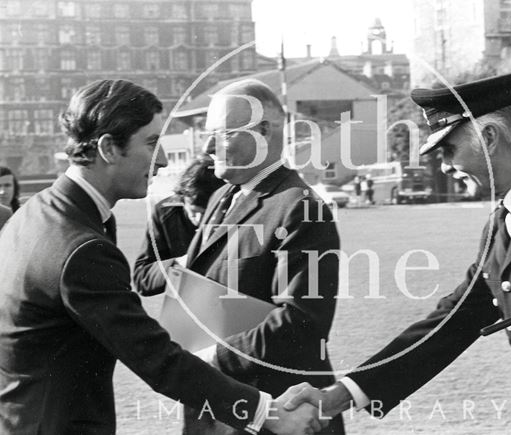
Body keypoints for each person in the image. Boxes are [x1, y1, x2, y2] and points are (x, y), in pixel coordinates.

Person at [286, 72, 511, 434]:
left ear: (488, 138)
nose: (443, 165)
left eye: (449, 149)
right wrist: (341, 394)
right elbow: (453, 321)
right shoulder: (501, 224)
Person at [0, 79, 325, 435]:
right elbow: (153, 357)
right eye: (153, 143)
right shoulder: (80, 246)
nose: (166, 159)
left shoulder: (38, 213)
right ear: (109, 148)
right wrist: (268, 412)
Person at [183, 79, 344, 434]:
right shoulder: (220, 199)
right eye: (207, 134)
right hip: (219, 408)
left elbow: (303, 321)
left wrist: (210, 359)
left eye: (222, 134)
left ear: (263, 131)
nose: (208, 146)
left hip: (279, 411)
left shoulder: (300, 207)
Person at [134, 154, 225, 296]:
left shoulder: (234, 212)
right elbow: (142, 278)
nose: (200, 220)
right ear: (182, 200)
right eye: (194, 212)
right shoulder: (164, 213)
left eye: (207, 213)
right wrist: (182, 262)